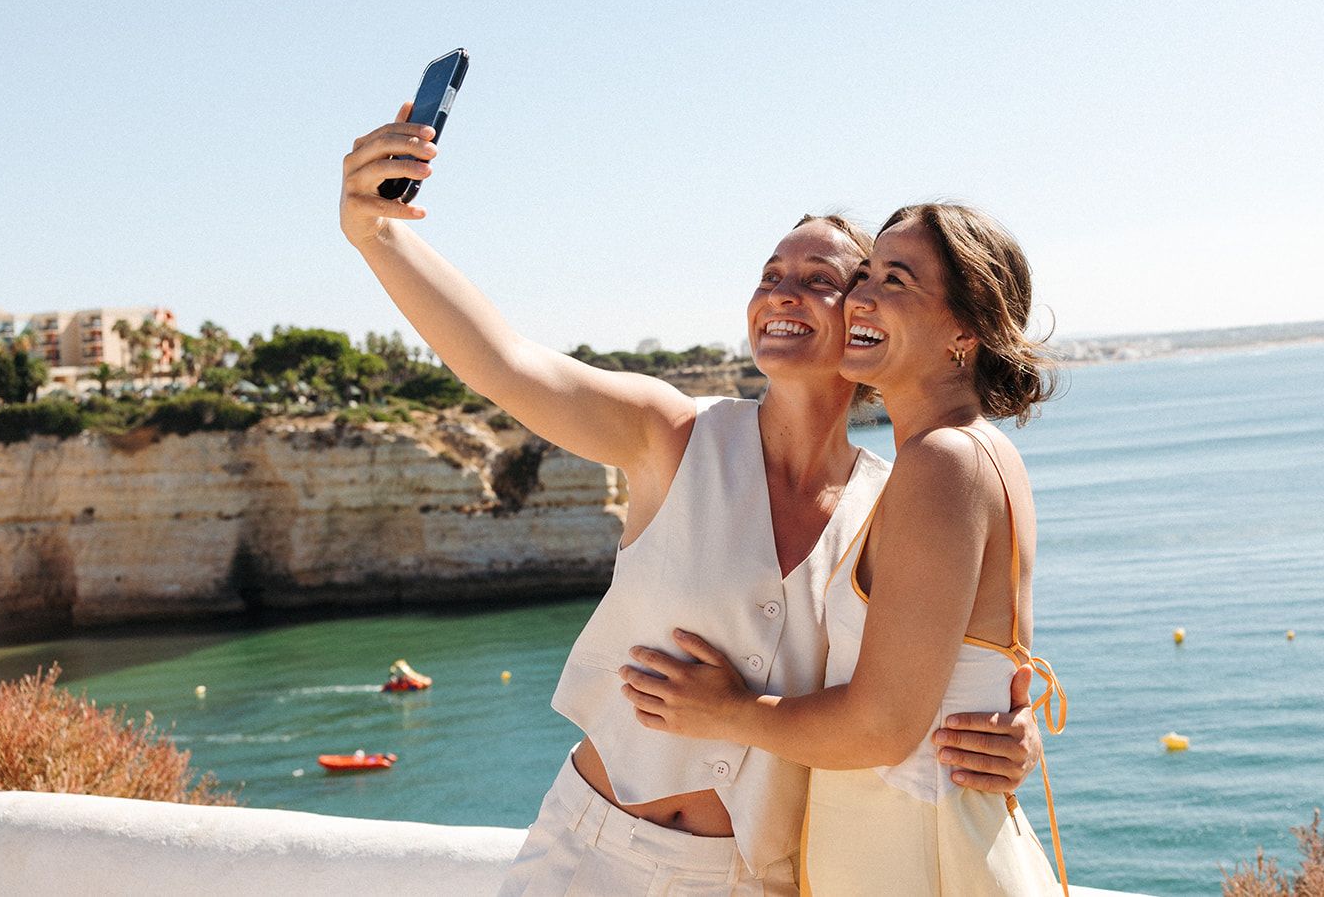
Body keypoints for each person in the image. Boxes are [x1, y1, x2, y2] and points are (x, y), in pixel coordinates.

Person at [339, 109, 1045, 896]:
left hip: (757, 877)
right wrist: (379, 234)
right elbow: (502, 362)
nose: (783, 293)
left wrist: (1000, 736)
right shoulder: (671, 433)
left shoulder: (898, 496)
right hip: (588, 850)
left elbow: (930, 683)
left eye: (823, 281)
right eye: (771, 273)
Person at [619, 203, 1069, 896]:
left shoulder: (943, 460)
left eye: (896, 280)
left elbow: (883, 727)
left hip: (919, 859)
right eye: (865, 276)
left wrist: (726, 711)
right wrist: (1015, 726)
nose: (863, 297)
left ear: (965, 328)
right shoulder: (966, 455)